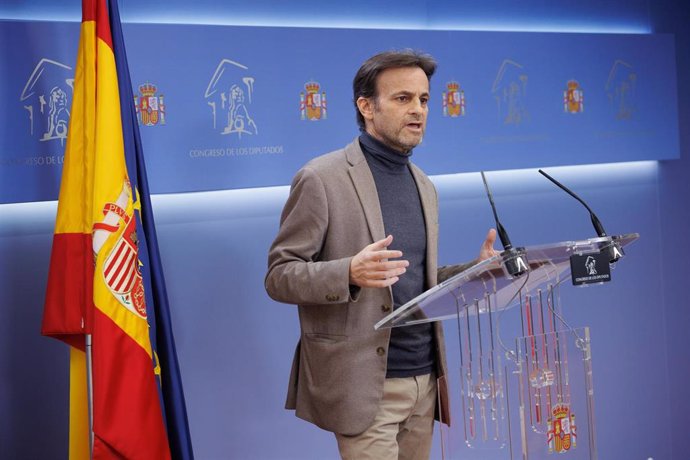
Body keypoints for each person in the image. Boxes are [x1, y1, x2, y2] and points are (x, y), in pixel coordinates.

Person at [265, 50, 498, 460]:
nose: (418, 111)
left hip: (424, 380)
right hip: (363, 386)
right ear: (366, 106)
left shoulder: (424, 185)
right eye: (403, 99)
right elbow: (280, 276)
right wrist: (348, 272)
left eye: (424, 100)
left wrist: (475, 271)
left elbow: (414, 281)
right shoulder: (321, 178)